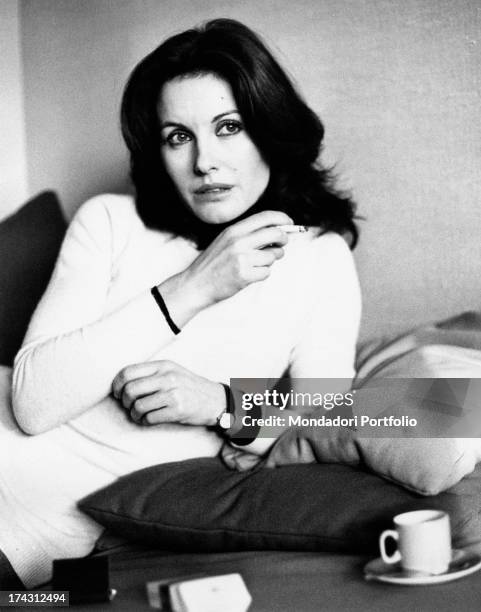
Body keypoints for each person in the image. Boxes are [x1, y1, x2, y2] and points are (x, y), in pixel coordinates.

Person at [1, 18, 361, 588]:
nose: (204, 162)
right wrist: (193, 286)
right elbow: (31, 403)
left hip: (36, 528)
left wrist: (218, 403)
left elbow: (330, 413)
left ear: (269, 129)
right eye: (178, 136)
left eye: (228, 127)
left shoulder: (319, 259)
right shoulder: (109, 220)